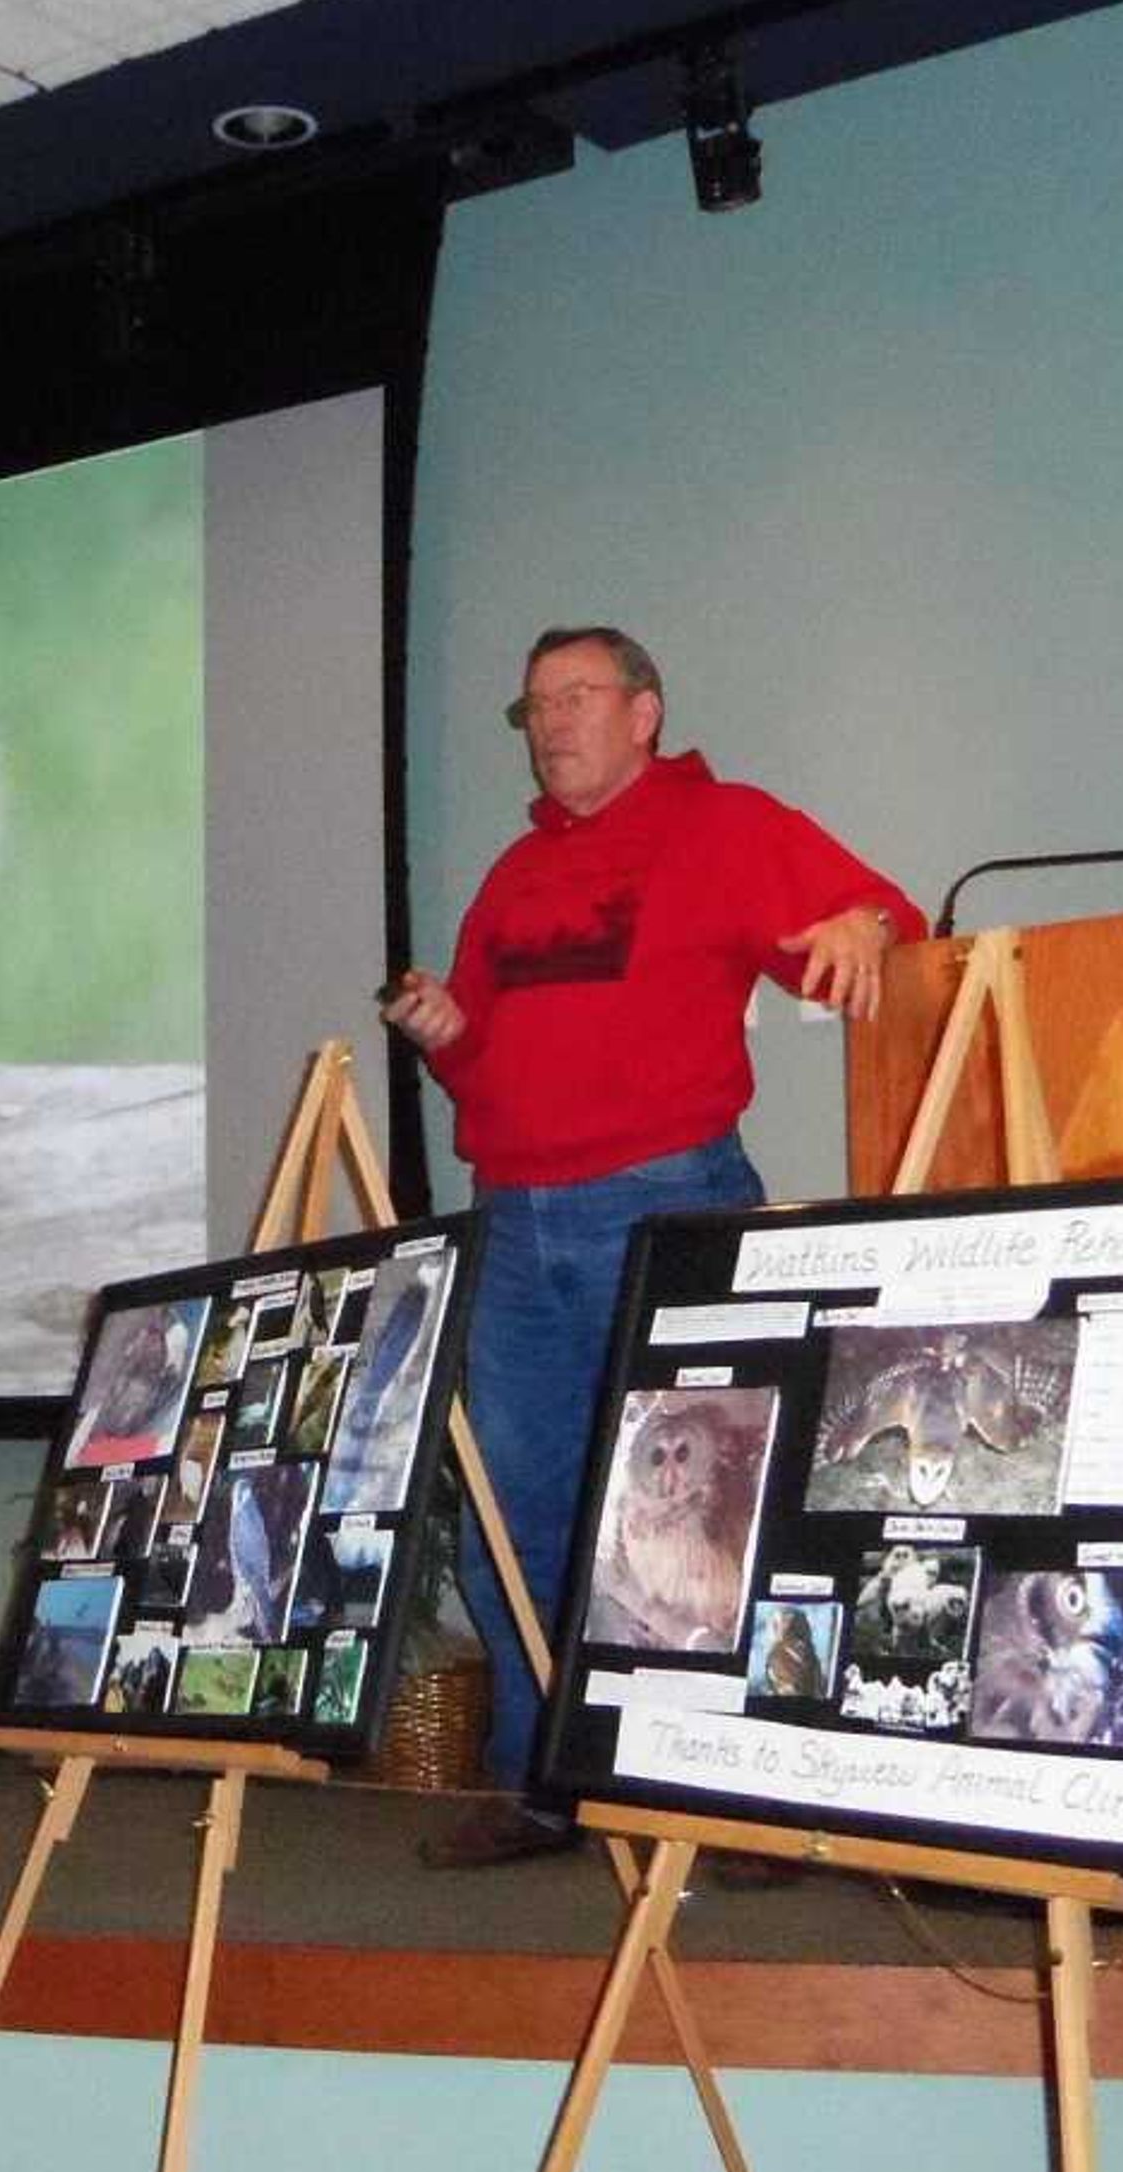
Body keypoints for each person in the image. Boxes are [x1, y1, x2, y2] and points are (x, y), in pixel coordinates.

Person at [383, 626, 921, 1868]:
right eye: (535, 704)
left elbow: (877, 906)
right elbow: (481, 1057)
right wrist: (447, 1030)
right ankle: (546, 1779)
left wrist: (862, 928)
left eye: (578, 696)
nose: (554, 719)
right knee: (522, 1516)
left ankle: (728, 1794)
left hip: (664, 1202)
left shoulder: (721, 823)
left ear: (644, 711)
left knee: (702, 1509)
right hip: (515, 1217)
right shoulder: (513, 879)